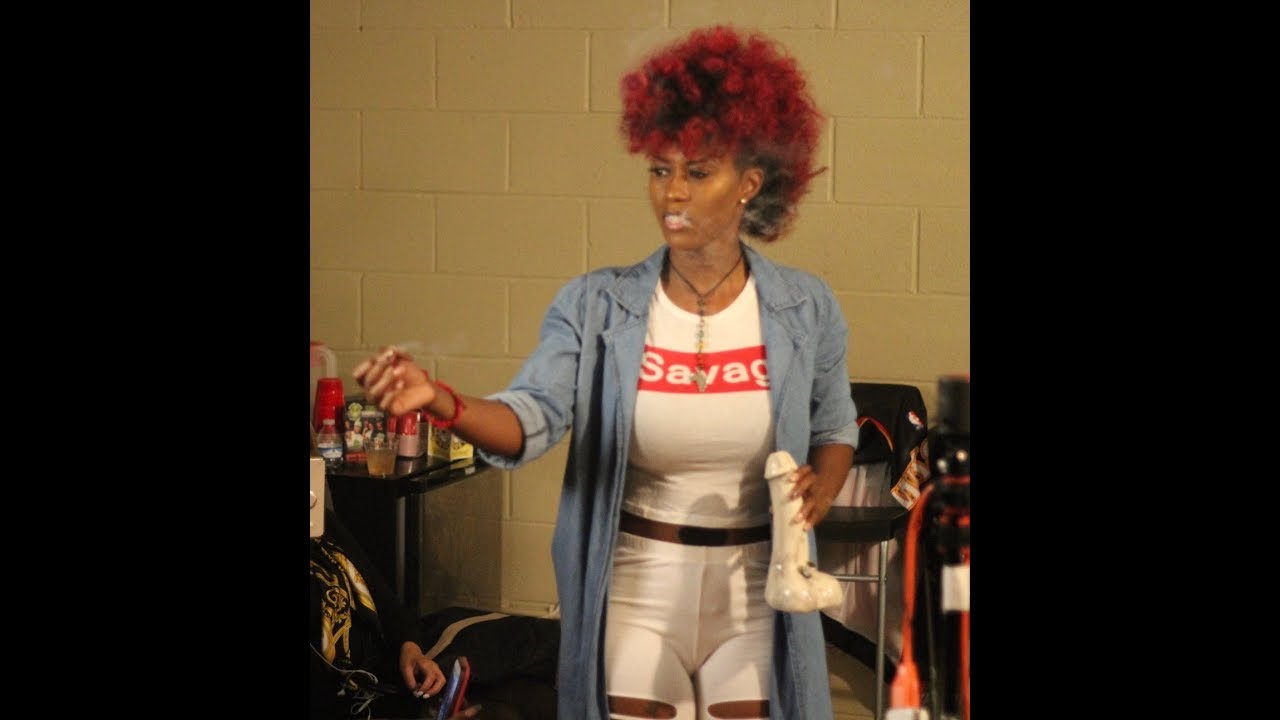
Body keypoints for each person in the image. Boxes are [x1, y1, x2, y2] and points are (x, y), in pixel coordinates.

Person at [355, 25, 857, 720]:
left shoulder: (805, 308)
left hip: (754, 587)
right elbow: (531, 418)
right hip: (638, 582)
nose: (672, 193)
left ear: (749, 183)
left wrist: (821, 488)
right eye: (659, 170)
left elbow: (835, 428)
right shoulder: (596, 306)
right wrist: (442, 400)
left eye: (697, 172)